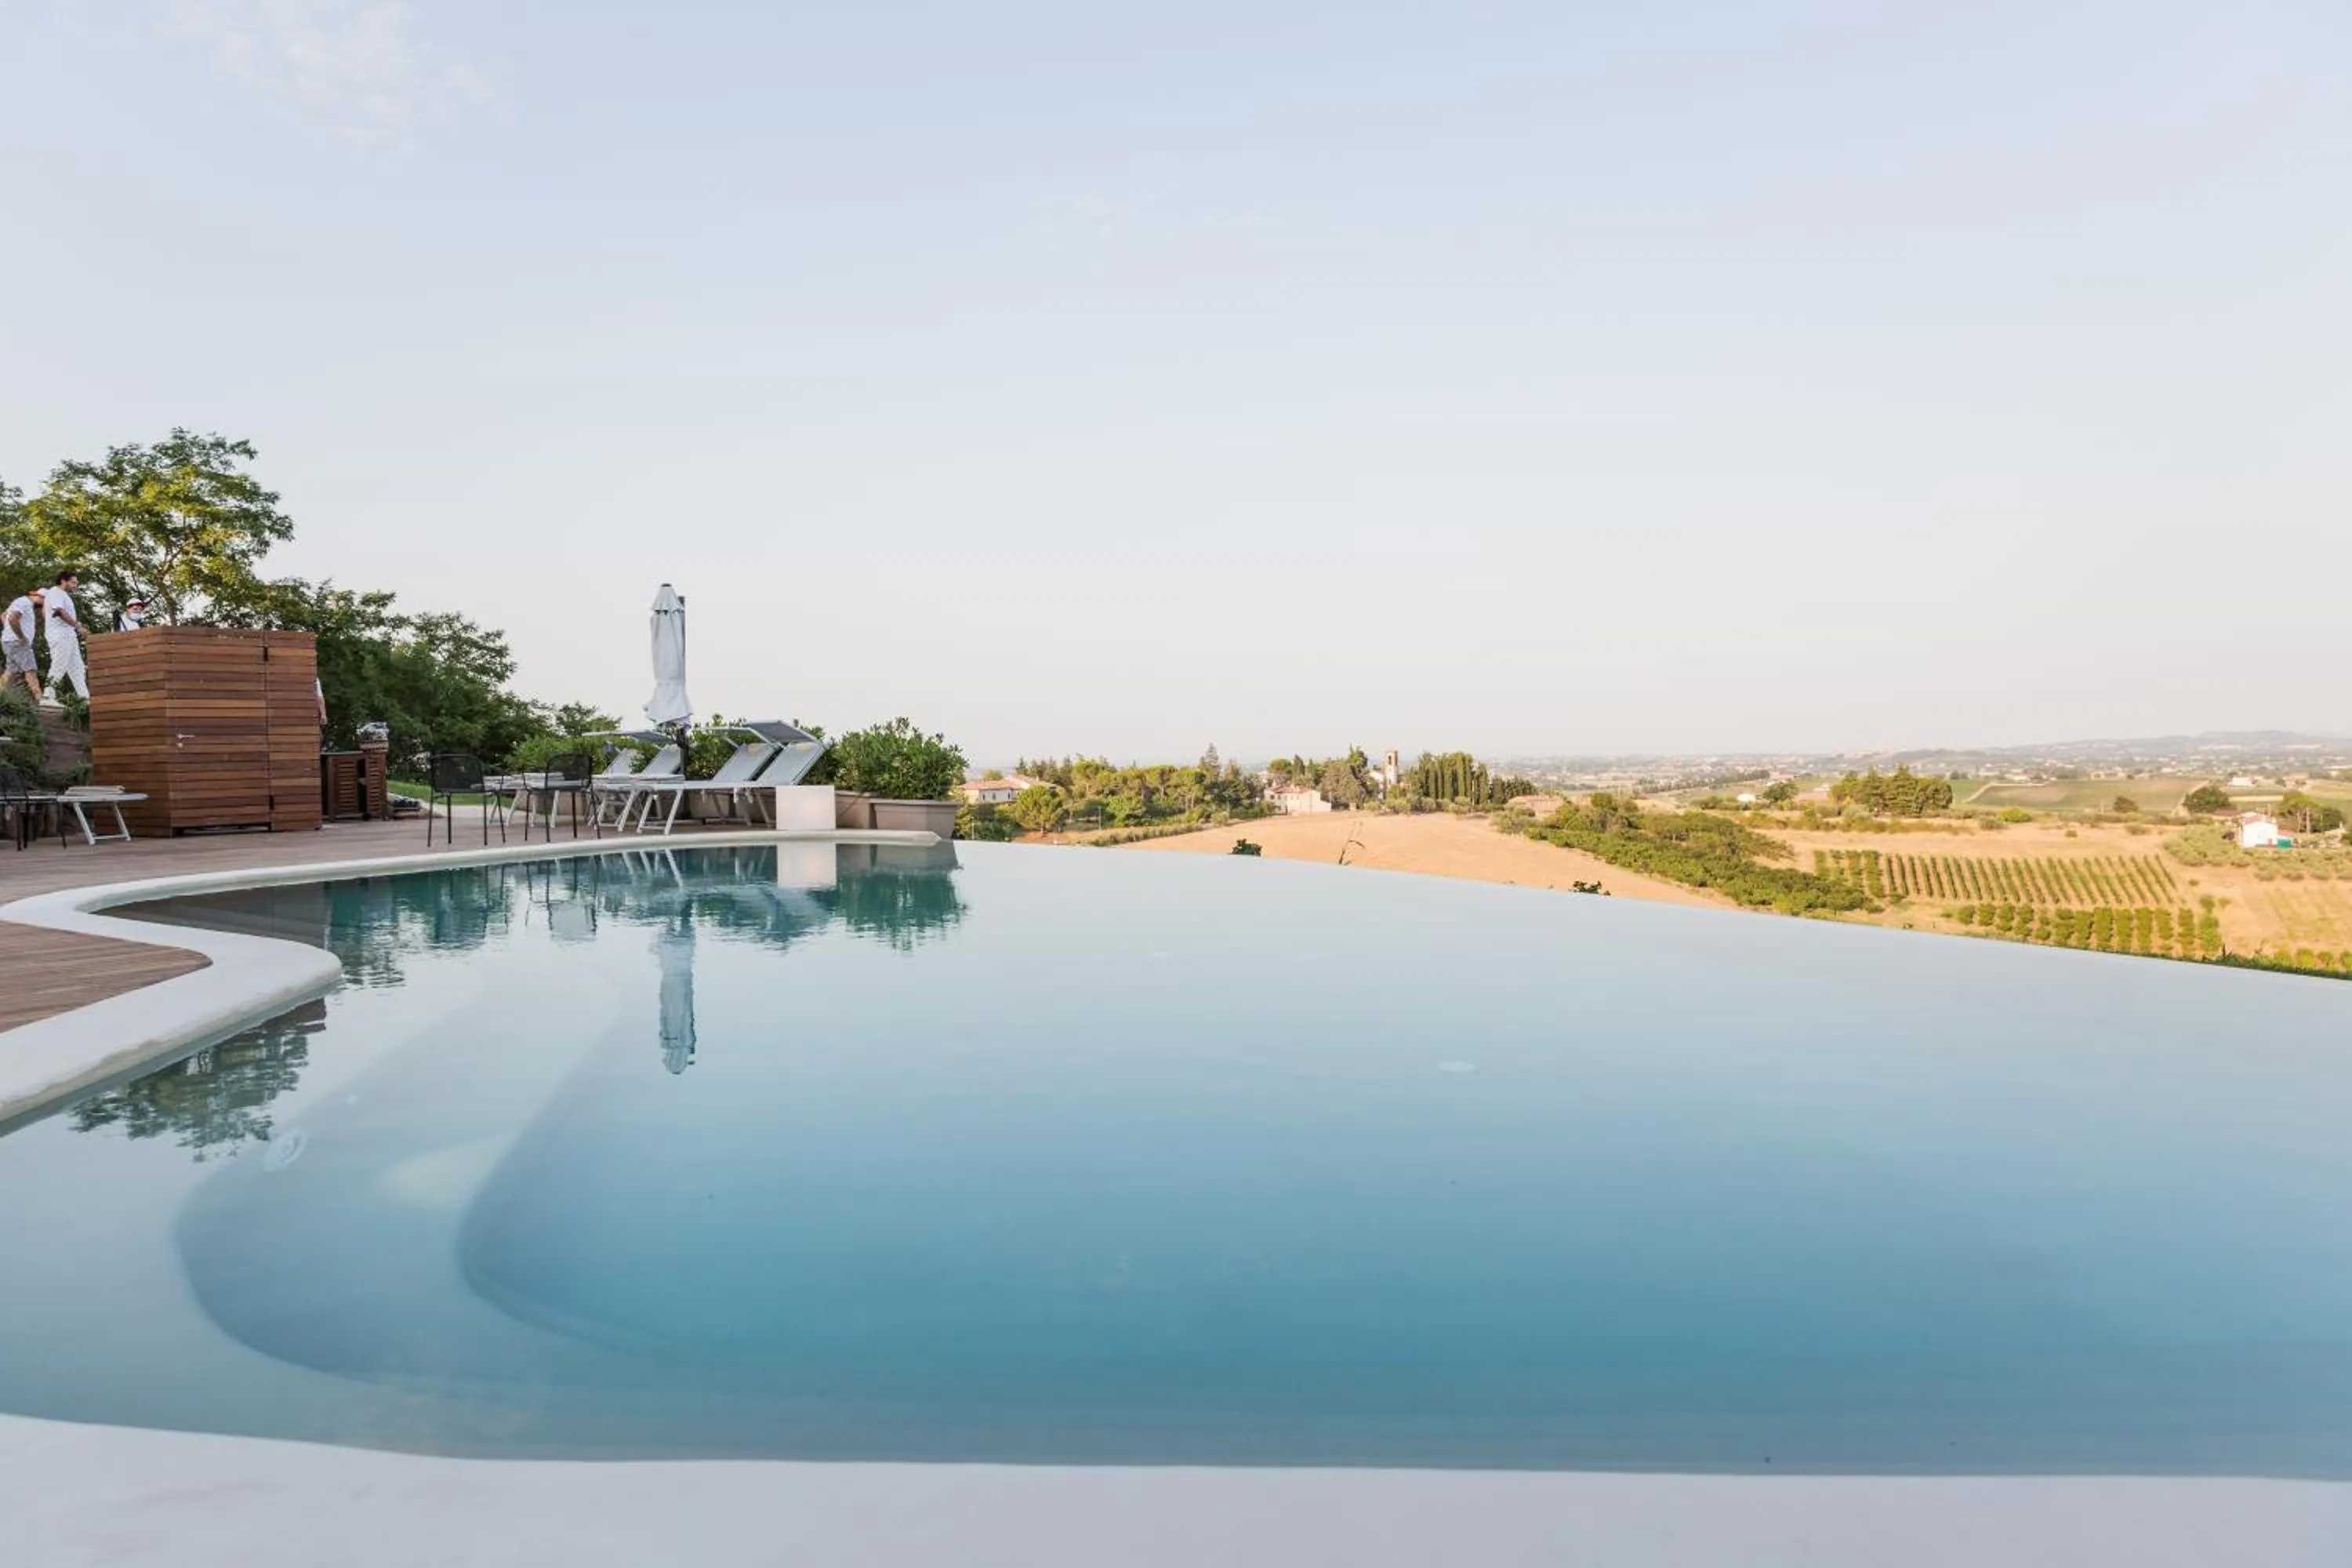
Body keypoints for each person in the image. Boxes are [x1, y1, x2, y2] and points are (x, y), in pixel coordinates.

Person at [42, 570, 89, 702]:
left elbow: (48, 613)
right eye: (73, 583)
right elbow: (59, 611)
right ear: (63, 581)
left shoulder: (64, 595)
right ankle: (48, 696)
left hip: (69, 636)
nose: (75, 586)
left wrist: (76, 625)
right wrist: (77, 626)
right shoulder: (56, 592)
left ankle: (85, 698)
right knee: (59, 664)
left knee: (78, 668)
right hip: (60, 636)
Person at [2, 586, 44, 703]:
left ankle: (0, 695)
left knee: (10, 672)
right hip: (18, 643)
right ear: (38, 596)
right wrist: (20, 636)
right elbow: (12, 618)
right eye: (44, 600)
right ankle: (40, 699)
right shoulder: (23, 602)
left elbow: (3, 616)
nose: (44, 604)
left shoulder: (22, 603)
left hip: (10, 641)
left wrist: (9, 632)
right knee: (31, 670)